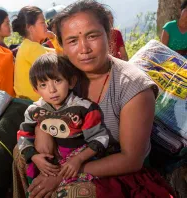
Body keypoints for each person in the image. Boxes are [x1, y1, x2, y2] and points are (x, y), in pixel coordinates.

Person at [13, 1, 174, 197]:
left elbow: (131, 160)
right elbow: (43, 109)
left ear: (109, 35)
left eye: (92, 36)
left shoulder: (133, 86)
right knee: (21, 155)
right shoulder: (65, 75)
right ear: (62, 46)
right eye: (72, 41)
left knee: (72, 193)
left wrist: (63, 175)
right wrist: (41, 133)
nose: (84, 49)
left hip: (113, 167)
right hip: (69, 153)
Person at [17, 53, 109, 185]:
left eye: (57, 81)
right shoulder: (34, 111)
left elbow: (100, 138)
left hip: (81, 157)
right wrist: (34, 156)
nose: (52, 90)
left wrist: (78, 159)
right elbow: (23, 136)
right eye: (43, 85)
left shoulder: (84, 108)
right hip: (55, 154)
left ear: (71, 82)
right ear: (36, 90)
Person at [12, 6, 63, 101]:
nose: (46, 26)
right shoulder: (31, 48)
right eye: (42, 22)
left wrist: (53, 38)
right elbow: (62, 65)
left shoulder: (30, 46)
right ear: (30, 27)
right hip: (31, 104)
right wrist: (54, 38)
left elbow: (62, 55)